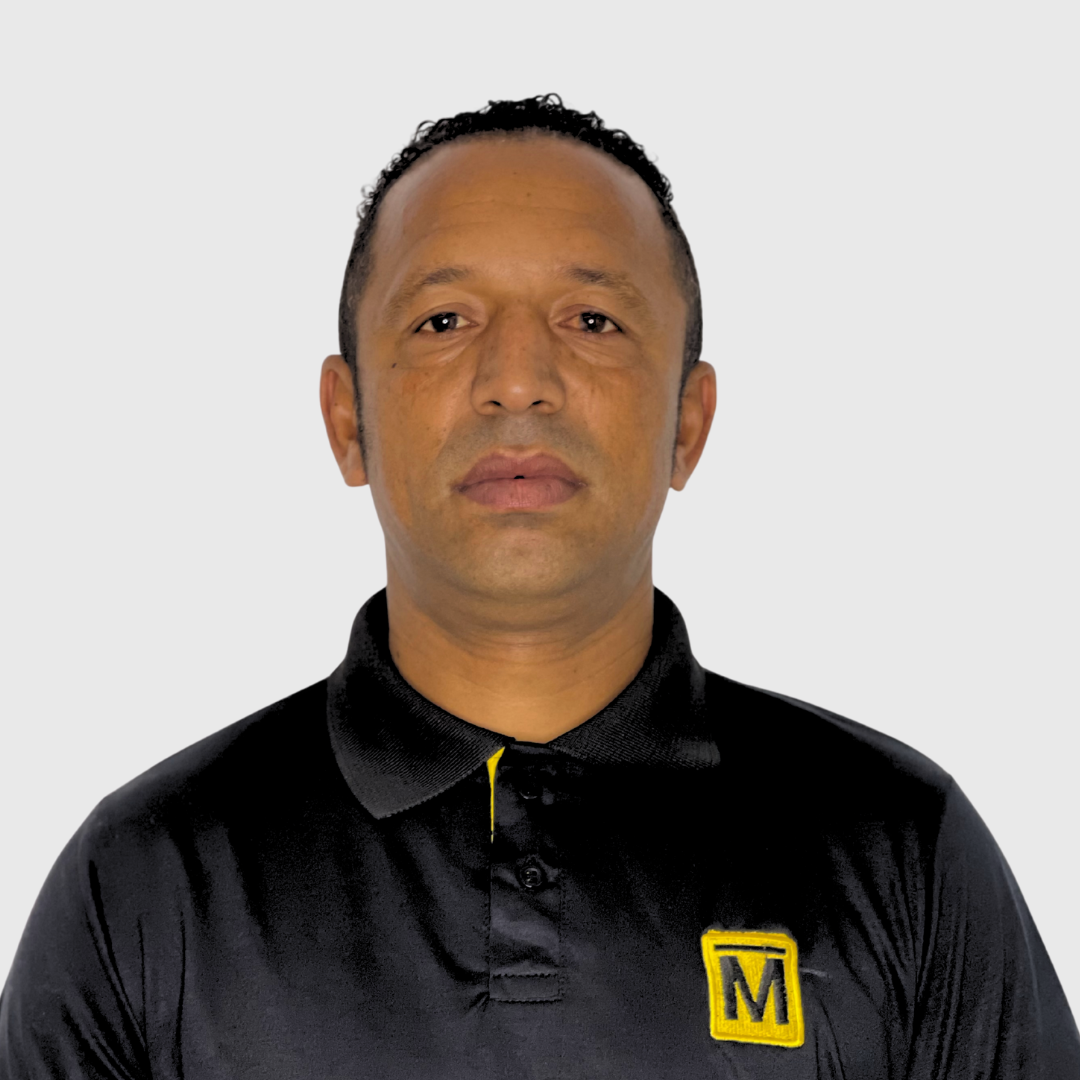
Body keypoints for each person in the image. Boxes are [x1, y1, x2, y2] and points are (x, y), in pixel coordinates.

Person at [1, 93, 1076, 1080]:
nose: (518, 381)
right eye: (444, 321)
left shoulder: (899, 849)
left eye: (592, 321)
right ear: (347, 419)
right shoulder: (146, 883)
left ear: (688, 423)